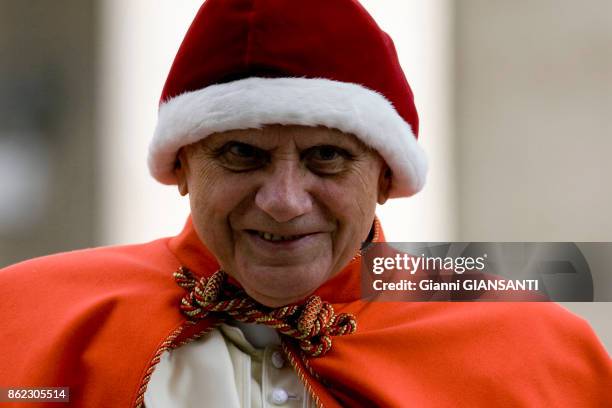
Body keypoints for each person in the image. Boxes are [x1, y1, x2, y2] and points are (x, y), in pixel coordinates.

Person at [1, 0, 610, 407]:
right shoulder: (22, 321)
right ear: (181, 167)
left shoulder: (534, 351)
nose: (284, 202)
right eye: (242, 153)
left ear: (385, 178)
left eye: (327, 157)